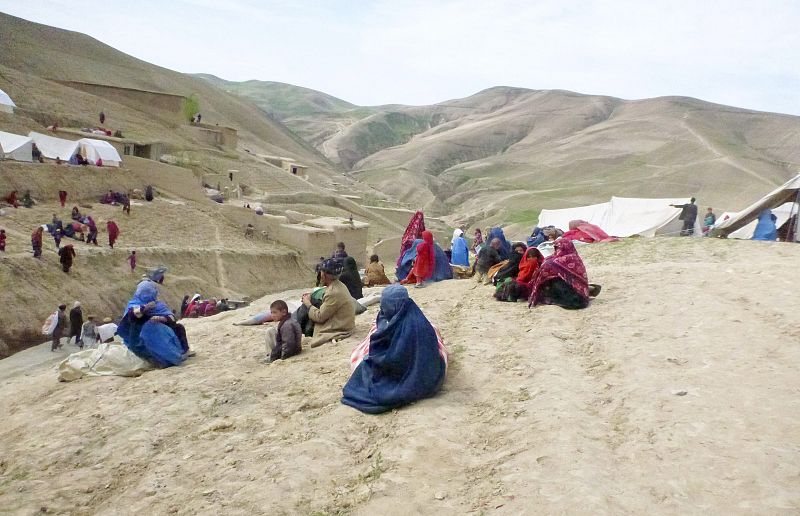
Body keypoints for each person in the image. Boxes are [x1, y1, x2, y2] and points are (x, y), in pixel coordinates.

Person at [341, 284, 447, 414]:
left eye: (385, 305)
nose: (382, 309)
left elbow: (393, 359)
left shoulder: (411, 328)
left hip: (411, 375)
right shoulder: (413, 318)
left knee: (366, 375)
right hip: (426, 375)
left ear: (393, 305)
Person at [117, 280, 190, 367]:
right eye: (145, 292)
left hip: (161, 335)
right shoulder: (134, 304)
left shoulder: (159, 305)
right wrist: (144, 308)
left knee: (179, 327)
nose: (147, 294)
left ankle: (180, 352)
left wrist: (161, 318)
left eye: (149, 292)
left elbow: (171, 318)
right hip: (138, 339)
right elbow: (132, 315)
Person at [302, 259, 356, 348]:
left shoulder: (333, 292)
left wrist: (307, 303)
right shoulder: (339, 285)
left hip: (339, 327)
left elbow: (320, 317)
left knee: (305, 310)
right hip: (344, 323)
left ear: (324, 275)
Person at [529, 239, 590, 310]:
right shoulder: (574, 257)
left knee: (554, 281)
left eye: (558, 248)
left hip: (576, 295)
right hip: (580, 291)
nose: (557, 251)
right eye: (556, 248)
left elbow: (546, 267)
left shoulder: (565, 259)